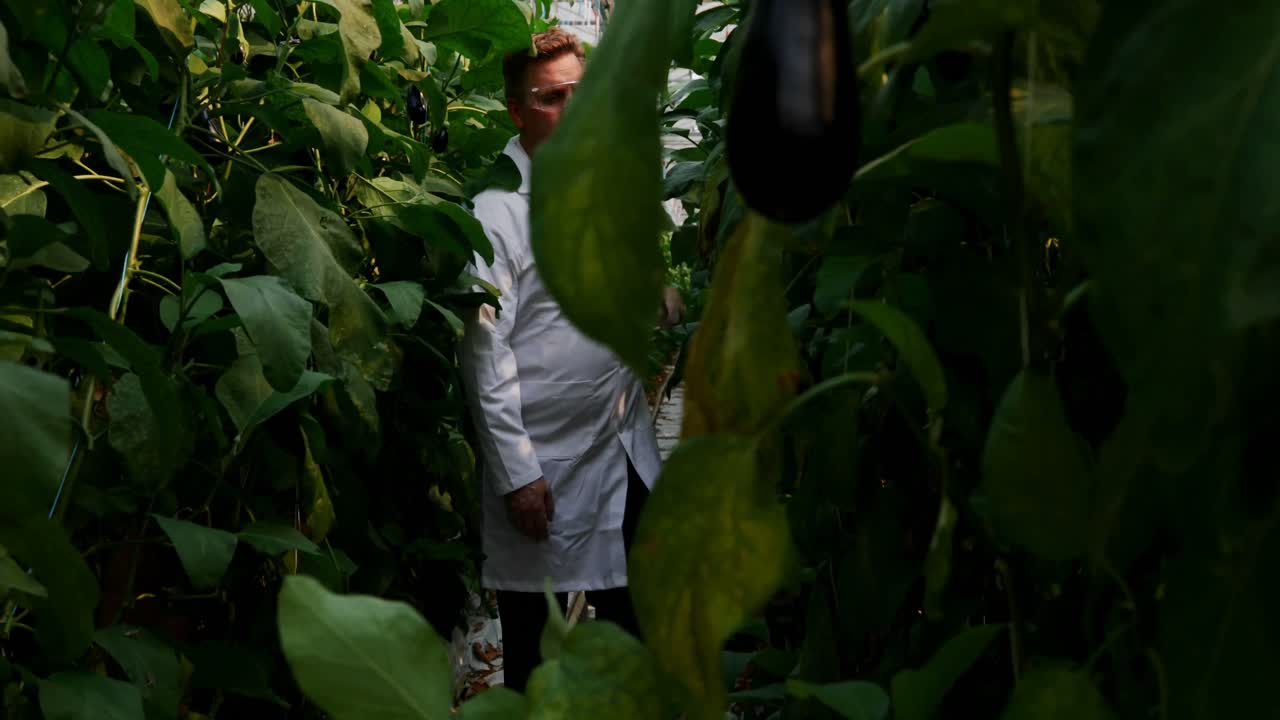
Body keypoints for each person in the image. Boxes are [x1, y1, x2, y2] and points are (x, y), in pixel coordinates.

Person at [457, 27, 684, 693]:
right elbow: (483, 350)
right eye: (552, 98)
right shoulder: (495, 212)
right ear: (516, 111)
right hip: (544, 466)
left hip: (620, 443)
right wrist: (516, 474)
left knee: (633, 614)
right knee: (536, 644)